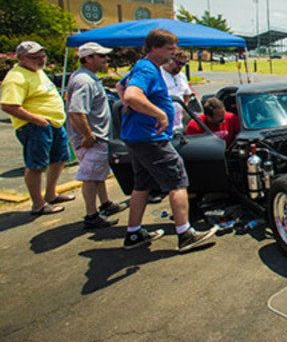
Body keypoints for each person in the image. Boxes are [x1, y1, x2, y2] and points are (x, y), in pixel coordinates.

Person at [121, 29, 217, 252]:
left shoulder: (145, 67)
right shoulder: (146, 68)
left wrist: (131, 107)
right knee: (177, 181)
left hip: (138, 137)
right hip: (151, 137)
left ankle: (134, 233)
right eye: (170, 48)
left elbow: (121, 87)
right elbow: (131, 95)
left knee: (141, 185)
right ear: (155, 48)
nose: (174, 53)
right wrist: (159, 113)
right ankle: (185, 234)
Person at [1, 41, 74, 215]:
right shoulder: (16, 78)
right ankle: (38, 204)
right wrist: (37, 120)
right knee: (36, 164)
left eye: (42, 56)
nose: (41, 60)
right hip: (35, 127)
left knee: (60, 158)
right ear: (21, 58)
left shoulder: (37, 72)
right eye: (35, 57)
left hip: (53, 124)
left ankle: (51, 194)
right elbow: (8, 105)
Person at [66, 42, 128, 228]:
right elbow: (76, 111)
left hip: (98, 136)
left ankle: (105, 203)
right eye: (101, 56)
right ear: (88, 58)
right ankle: (91, 215)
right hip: (93, 139)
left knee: (99, 173)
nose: (106, 59)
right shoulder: (83, 81)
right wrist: (87, 135)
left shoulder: (88, 78)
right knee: (90, 177)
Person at [160, 50, 192, 131]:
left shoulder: (182, 76)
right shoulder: (159, 74)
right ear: (170, 60)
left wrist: (183, 111)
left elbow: (186, 95)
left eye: (183, 64)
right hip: (161, 125)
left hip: (177, 125)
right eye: (178, 63)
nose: (180, 66)